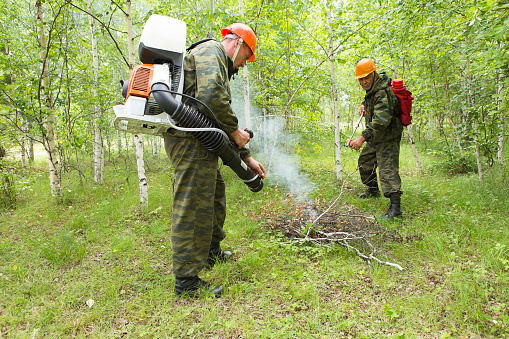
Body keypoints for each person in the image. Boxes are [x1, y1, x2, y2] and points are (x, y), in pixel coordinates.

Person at [163, 23, 266, 297]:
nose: (243, 66)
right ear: (238, 45)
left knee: (215, 193)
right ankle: (186, 281)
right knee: (193, 203)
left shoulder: (218, 60)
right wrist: (235, 131)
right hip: (188, 140)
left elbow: (213, 115)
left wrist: (247, 157)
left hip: (201, 140)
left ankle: (210, 252)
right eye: (246, 58)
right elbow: (211, 98)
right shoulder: (212, 51)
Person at [349, 58, 403, 220]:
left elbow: (381, 121)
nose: (364, 82)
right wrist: (365, 105)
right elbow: (374, 105)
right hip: (376, 136)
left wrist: (362, 138)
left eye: (367, 78)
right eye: (361, 79)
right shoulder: (374, 89)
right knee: (365, 162)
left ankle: (396, 210)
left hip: (387, 136)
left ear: (374, 74)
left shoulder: (382, 91)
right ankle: (373, 191)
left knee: (387, 170)